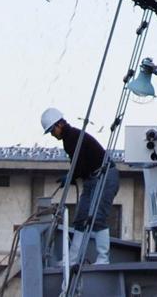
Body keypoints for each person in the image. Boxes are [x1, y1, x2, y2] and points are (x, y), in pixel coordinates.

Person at [41, 107, 118, 266]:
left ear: (59, 125)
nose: (52, 134)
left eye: (52, 130)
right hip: (92, 178)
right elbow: (80, 165)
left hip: (105, 176)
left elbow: (79, 165)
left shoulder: (73, 138)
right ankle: (73, 259)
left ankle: (103, 258)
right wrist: (71, 176)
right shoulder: (70, 138)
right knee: (81, 218)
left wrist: (70, 177)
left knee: (98, 217)